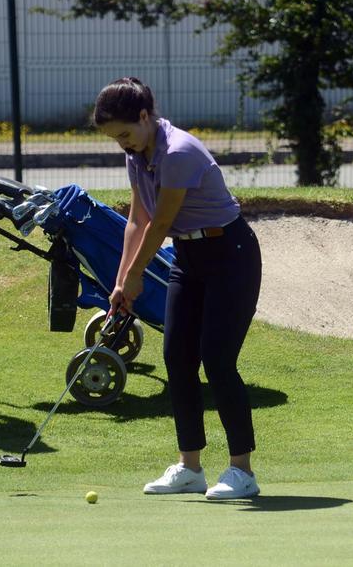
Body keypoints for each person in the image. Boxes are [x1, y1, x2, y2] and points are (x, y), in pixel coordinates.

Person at [93, 77, 263, 500]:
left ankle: (242, 471)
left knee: (218, 360)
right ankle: (190, 467)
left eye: (126, 134)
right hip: (189, 260)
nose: (123, 144)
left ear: (146, 117)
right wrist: (120, 280)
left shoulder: (180, 151)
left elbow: (161, 222)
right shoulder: (138, 154)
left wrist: (136, 275)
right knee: (177, 358)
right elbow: (135, 219)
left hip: (230, 254)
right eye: (115, 139)